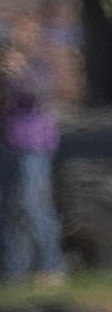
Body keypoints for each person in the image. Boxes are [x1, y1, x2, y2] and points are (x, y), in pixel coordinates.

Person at [0, 18, 64, 285]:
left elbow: (38, 94)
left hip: (33, 146)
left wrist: (19, 74)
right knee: (7, 209)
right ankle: (13, 272)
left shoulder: (38, 66)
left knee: (34, 205)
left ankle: (52, 267)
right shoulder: (5, 67)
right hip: (7, 143)